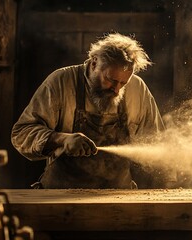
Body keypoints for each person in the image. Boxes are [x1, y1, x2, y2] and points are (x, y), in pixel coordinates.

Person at [11, 33, 165, 189]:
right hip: (60, 195)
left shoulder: (137, 89)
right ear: (94, 63)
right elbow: (21, 133)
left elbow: (157, 142)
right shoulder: (60, 81)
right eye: (111, 80)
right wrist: (62, 139)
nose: (117, 90)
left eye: (123, 83)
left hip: (117, 197)